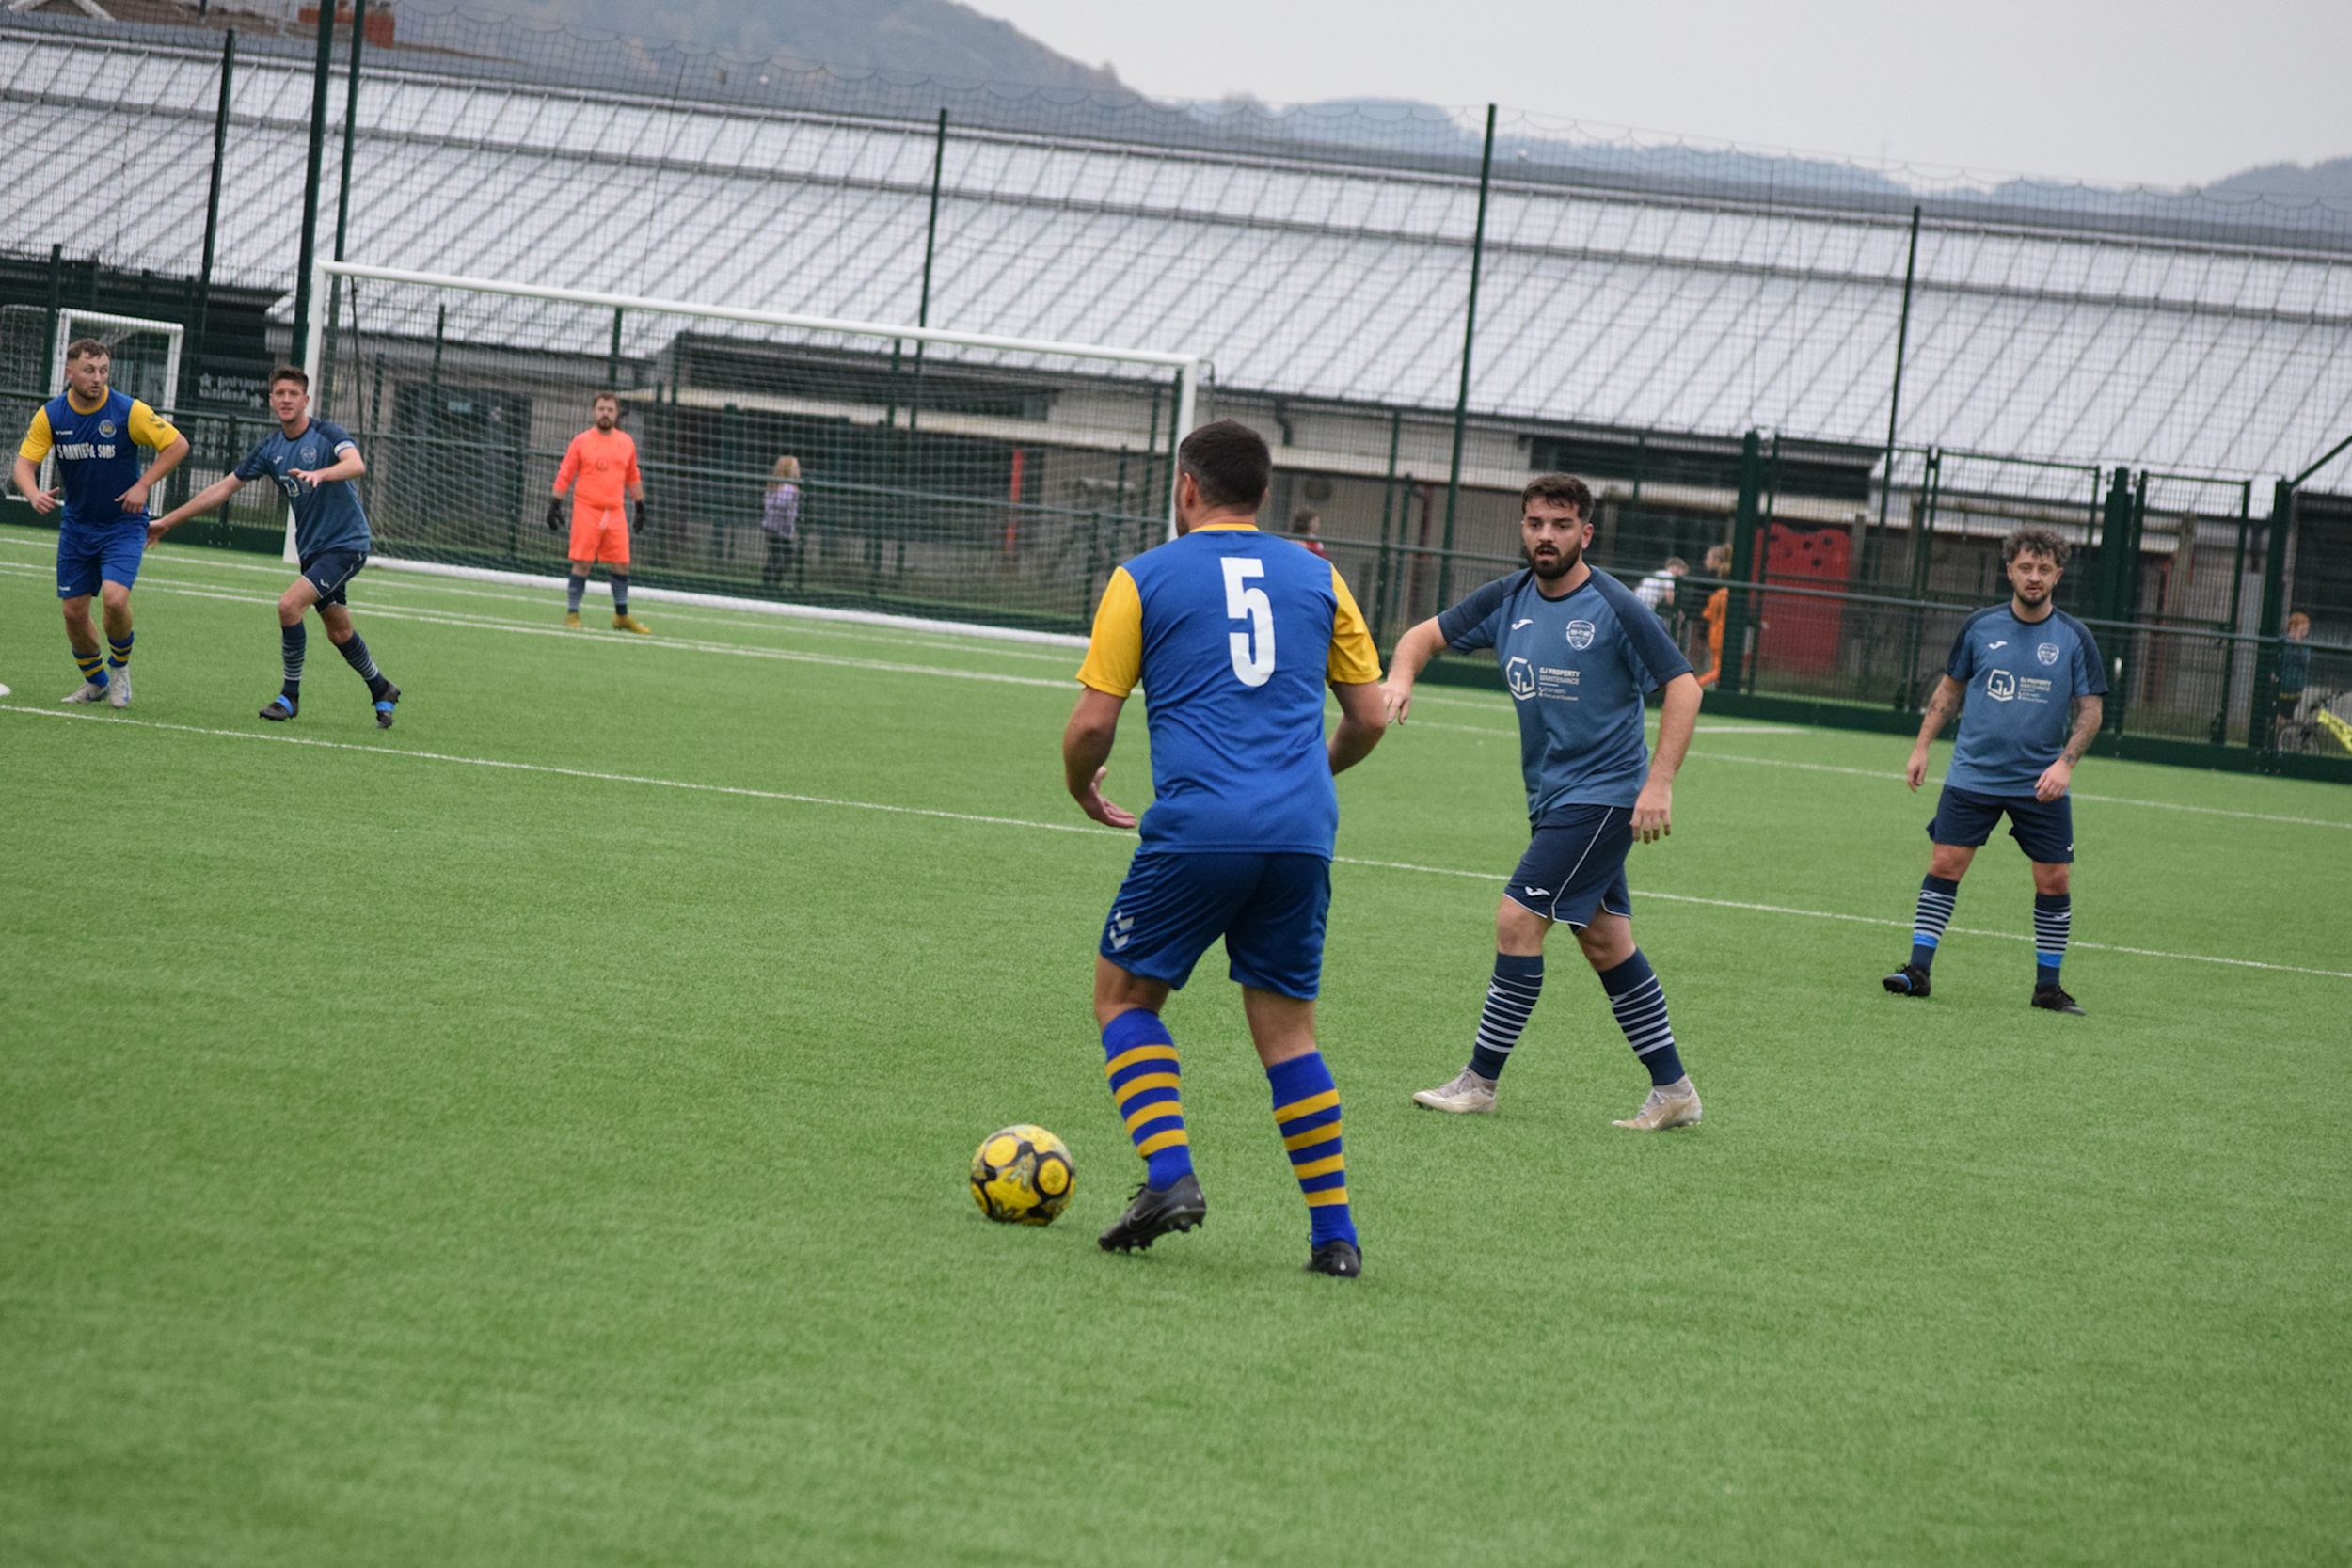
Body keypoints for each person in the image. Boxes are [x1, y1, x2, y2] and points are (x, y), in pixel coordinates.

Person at [1064, 420, 1387, 1277]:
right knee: (1288, 1032)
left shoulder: (1143, 578)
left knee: (1123, 996)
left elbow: (1094, 723)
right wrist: (1309, 775)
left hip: (1200, 828)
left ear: (1185, 488)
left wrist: (1081, 785)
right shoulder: (1321, 576)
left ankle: (1169, 1176)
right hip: (1302, 832)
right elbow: (1369, 714)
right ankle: (1335, 1238)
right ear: (1264, 494)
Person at [1387, 473, 1707, 1129]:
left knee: (1516, 920)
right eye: (1535, 523)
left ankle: (1479, 1080)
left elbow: (1685, 686)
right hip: (1556, 797)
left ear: (1585, 534)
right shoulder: (1507, 598)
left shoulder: (1616, 605)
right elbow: (1420, 636)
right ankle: (1673, 1090)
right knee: (1606, 941)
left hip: (1603, 797)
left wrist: (1659, 780)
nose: (1546, 536)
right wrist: (1399, 677)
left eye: (1561, 525)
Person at [1883, 526, 2105, 1014]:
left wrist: (2065, 765)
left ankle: (2048, 987)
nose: (2034, 576)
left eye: (2044, 569)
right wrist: (1921, 748)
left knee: (2054, 879)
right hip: (1972, 775)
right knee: (1944, 864)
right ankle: (1918, 971)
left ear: (2058, 576)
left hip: (2040, 784)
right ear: (2009, 571)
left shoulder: (2074, 637)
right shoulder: (1979, 627)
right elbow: (1949, 691)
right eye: (2025, 567)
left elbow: (2091, 711)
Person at [150, 366, 402, 728]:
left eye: (293, 394)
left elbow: (356, 464)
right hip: (313, 550)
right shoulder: (270, 448)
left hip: (347, 545)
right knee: (339, 631)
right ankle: (381, 688)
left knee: (288, 606)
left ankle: (290, 697)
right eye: (279, 393)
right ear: (271, 400)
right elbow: (222, 489)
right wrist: (167, 522)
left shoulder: (328, 434)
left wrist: (321, 474)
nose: (286, 399)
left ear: (305, 400)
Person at [13, 338, 188, 708]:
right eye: (89, 371)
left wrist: (143, 486)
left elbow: (177, 445)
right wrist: (32, 494)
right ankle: (96, 682)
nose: (98, 378)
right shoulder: (52, 415)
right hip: (78, 526)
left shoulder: (129, 411)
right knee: (73, 613)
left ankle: (120, 668)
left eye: (104, 371)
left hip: (123, 524)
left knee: (114, 598)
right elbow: (24, 465)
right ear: (69, 372)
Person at [548, 392, 649, 633]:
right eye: (601, 409)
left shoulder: (626, 442)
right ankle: (572, 613)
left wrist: (640, 505)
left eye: (610, 409)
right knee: (582, 563)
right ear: (594, 412)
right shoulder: (582, 441)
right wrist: (555, 502)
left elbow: (632, 475)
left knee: (622, 563)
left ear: (617, 413)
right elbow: (566, 472)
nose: (605, 413)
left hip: (615, 511)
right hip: (587, 509)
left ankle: (621, 616)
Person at [760, 455, 802, 590]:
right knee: (785, 556)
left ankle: (769, 583)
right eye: (795, 467)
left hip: (772, 527)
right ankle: (771, 584)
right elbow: (784, 509)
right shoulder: (787, 488)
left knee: (776, 556)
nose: (798, 470)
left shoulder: (776, 486)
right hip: (778, 529)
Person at [1696, 543, 1731, 688]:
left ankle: (1716, 688)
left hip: (1713, 634)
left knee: (1717, 665)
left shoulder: (1716, 595)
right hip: (1724, 636)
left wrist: (1703, 632)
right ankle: (1696, 684)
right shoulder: (1729, 595)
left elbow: (1707, 615)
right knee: (1720, 670)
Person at [2277, 612, 2312, 733]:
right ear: (2292, 627)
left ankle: (2286, 736)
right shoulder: (2283, 641)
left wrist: (2299, 645)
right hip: (2283, 685)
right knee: (2278, 714)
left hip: (2297, 687)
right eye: (2302, 629)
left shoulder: (2304, 645)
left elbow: (2306, 661)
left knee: (2292, 716)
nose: (2304, 633)